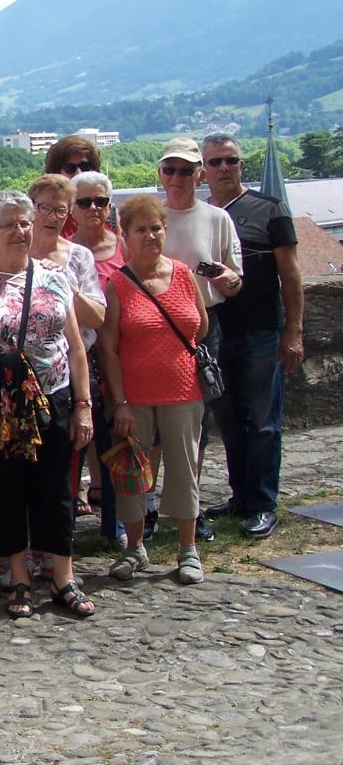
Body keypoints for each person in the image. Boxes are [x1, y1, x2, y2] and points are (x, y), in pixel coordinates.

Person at [0, 191, 95, 619]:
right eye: (10, 224)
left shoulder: (56, 276)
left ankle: (62, 576)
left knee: (56, 489)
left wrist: (83, 405)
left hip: (51, 398)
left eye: (25, 223)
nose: (20, 231)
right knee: (5, 491)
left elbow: (75, 348)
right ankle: (19, 576)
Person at [99, 195, 209, 584]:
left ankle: (187, 549)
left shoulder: (182, 274)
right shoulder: (118, 284)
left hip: (184, 390)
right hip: (135, 396)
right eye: (141, 229)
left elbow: (201, 327)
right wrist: (121, 401)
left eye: (156, 228)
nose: (150, 235)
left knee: (184, 470)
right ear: (126, 235)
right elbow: (108, 347)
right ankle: (134, 547)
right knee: (132, 474)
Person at [201, 134, 304, 539]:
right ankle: (240, 495)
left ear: (241, 164)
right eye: (215, 162)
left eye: (231, 160)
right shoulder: (201, 214)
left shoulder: (270, 209)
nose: (224, 168)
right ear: (203, 171)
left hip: (262, 329)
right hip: (216, 333)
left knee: (263, 421)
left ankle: (263, 503)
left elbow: (291, 275)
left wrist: (293, 331)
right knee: (228, 420)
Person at [157, 137, 243, 543]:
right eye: (170, 169)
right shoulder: (148, 216)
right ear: (160, 173)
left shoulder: (216, 219)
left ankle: (189, 510)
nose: (177, 177)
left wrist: (226, 278)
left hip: (203, 327)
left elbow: (235, 279)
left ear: (199, 174)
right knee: (150, 424)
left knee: (196, 424)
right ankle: (153, 508)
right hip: (151, 331)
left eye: (186, 170)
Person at [27, 175, 106, 522]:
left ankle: (63, 523)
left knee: (69, 449)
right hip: (26, 370)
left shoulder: (79, 257)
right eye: (44, 207)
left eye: (60, 210)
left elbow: (99, 317)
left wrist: (65, 286)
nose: (52, 216)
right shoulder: (14, 249)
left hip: (72, 364)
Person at [69, 170, 126, 543]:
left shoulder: (126, 245)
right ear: (71, 209)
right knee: (75, 444)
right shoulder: (66, 251)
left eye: (101, 201)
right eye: (85, 201)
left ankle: (117, 521)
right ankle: (65, 526)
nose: (94, 208)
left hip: (122, 355)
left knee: (116, 440)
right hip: (82, 355)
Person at [44, 135, 102, 238]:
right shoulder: (47, 217)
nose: (79, 172)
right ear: (56, 173)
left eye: (85, 167)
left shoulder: (106, 212)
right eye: (70, 168)